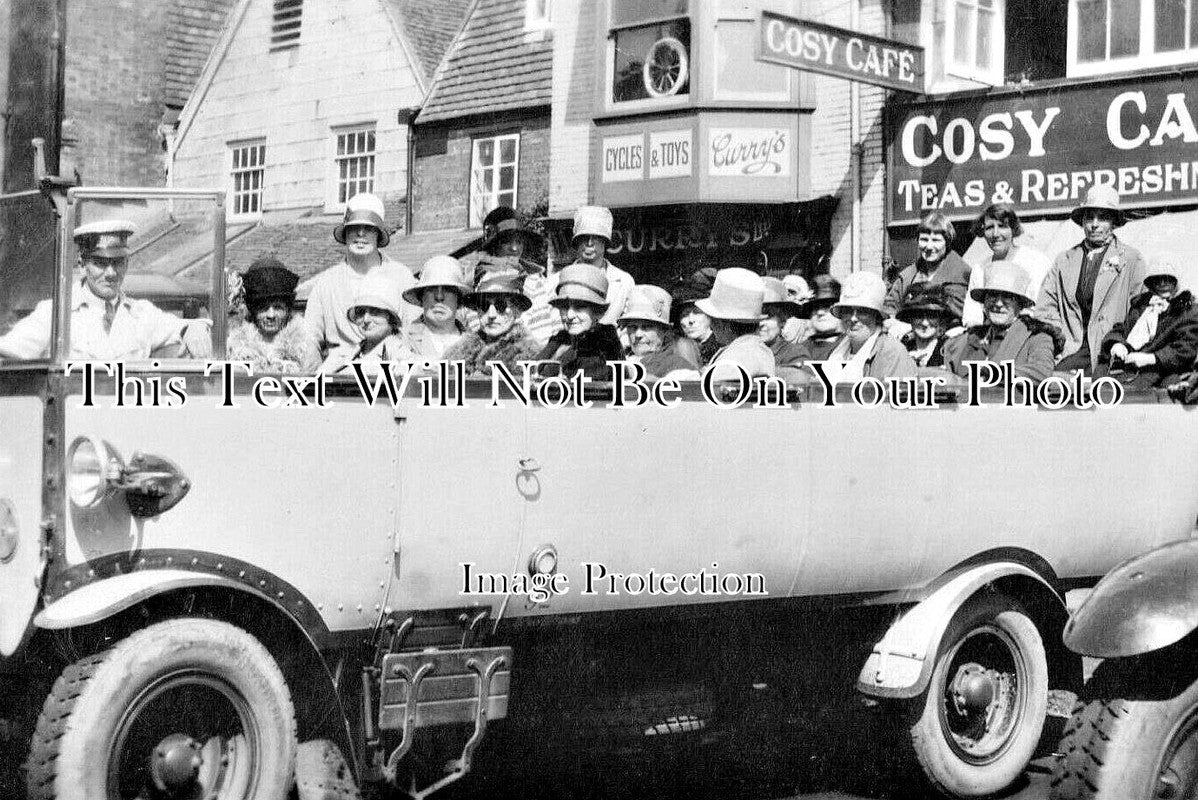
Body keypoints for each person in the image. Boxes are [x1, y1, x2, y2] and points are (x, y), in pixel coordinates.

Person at [0, 220, 211, 361]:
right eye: (100, 263)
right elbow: (9, 351)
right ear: (82, 265)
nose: (111, 273)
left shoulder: (141, 314)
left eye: (118, 262)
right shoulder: (55, 314)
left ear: (127, 263)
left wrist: (194, 328)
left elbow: (182, 327)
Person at [1034, 186, 1147, 374]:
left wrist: (1120, 342)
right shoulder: (1065, 259)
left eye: (1102, 218)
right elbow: (1046, 305)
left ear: (1113, 223)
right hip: (1071, 347)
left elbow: (1140, 309)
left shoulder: (1131, 259)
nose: (1094, 224)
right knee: (1054, 386)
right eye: (1089, 217)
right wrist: (1060, 335)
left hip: (1111, 349)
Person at [303, 192, 417, 358]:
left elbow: (414, 332)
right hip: (340, 375)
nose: (361, 234)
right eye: (354, 228)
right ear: (345, 233)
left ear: (379, 234)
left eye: (369, 228)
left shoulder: (402, 277)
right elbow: (309, 338)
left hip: (391, 370)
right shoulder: (326, 283)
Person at [943, 261, 1060, 383]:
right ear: (984, 302)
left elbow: (1041, 372)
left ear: (1020, 305)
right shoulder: (969, 338)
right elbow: (949, 368)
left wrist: (994, 372)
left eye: (1008, 297)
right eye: (992, 295)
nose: (998, 304)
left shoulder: (1036, 338)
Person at [1100, 261, 1198, 390]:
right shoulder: (1141, 305)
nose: (1162, 284)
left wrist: (1151, 358)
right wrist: (1116, 344)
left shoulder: (1188, 310)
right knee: (1097, 380)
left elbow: (1186, 348)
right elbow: (1123, 328)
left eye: (1168, 279)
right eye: (1157, 280)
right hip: (1127, 364)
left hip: (1163, 369)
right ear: (1151, 284)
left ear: (1177, 281)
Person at [961, 204, 1052, 328]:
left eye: (1002, 226)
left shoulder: (1035, 261)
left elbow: (1038, 308)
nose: (995, 234)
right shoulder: (981, 268)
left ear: (1013, 229)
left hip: (1027, 330)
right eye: (989, 228)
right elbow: (972, 312)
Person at [544, 206, 634, 328]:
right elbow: (548, 326)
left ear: (605, 242)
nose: (590, 243)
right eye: (584, 237)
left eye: (596, 238)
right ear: (576, 242)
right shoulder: (555, 282)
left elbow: (629, 326)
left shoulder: (624, 282)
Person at [227, 257, 321, 373]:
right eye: (263, 308)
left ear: (288, 310)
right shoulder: (234, 346)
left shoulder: (305, 347)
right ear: (253, 310)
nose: (271, 315)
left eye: (278, 307)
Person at [883, 212, 971, 335]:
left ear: (947, 242)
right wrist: (892, 322)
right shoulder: (907, 276)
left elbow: (958, 319)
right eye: (924, 239)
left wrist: (911, 328)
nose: (929, 247)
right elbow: (889, 308)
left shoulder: (961, 275)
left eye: (936, 240)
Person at [444, 270, 541, 376]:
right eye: (484, 306)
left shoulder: (529, 358)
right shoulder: (459, 353)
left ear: (517, 311)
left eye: (501, 306)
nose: (491, 315)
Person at [825, 271, 917, 382]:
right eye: (848, 310)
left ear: (876, 316)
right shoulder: (836, 351)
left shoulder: (892, 353)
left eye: (863, 311)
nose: (853, 318)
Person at [537, 263, 624, 380]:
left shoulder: (604, 348)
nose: (570, 315)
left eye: (579, 307)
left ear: (596, 311)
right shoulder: (561, 339)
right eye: (564, 307)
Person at [320, 274, 415, 374]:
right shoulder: (341, 355)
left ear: (391, 318)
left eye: (375, 311)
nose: (366, 319)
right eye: (360, 312)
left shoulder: (401, 358)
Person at [697, 268, 775, 382]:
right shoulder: (759, 350)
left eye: (713, 320)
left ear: (725, 324)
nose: (711, 327)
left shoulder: (735, 359)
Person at [617, 284, 699, 380]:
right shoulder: (624, 359)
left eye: (647, 327)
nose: (638, 334)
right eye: (632, 327)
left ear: (665, 330)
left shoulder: (678, 366)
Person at [401, 255, 469, 361]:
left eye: (447, 289)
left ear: (458, 298)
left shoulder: (475, 345)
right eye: (431, 289)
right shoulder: (401, 341)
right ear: (421, 296)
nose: (439, 297)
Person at [760, 278, 808, 383]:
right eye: (756, 317)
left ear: (782, 320)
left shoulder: (794, 353)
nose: (760, 323)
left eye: (769, 316)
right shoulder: (742, 350)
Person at [896, 284, 955, 368]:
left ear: (940, 319)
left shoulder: (950, 351)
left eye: (931, 316)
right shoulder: (900, 350)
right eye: (919, 316)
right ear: (910, 319)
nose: (925, 323)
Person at [671, 268, 721, 366]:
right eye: (684, 315)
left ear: (709, 316)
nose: (690, 321)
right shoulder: (675, 348)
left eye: (697, 312)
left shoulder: (721, 347)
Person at [792, 275, 842, 362]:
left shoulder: (851, 346)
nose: (820, 313)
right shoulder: (797, 351)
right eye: (815, 307)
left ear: (840, 311)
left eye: (827, 306)